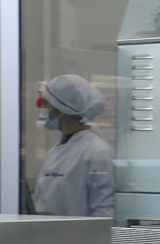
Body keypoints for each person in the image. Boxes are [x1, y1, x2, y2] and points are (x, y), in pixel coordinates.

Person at [33, 73, 116, 218]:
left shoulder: (97, 153)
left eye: (46, 103)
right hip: (49, 230)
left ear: (63, 108)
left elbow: (104, 211)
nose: (42, 108)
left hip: (79, 232)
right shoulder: (56, 150)